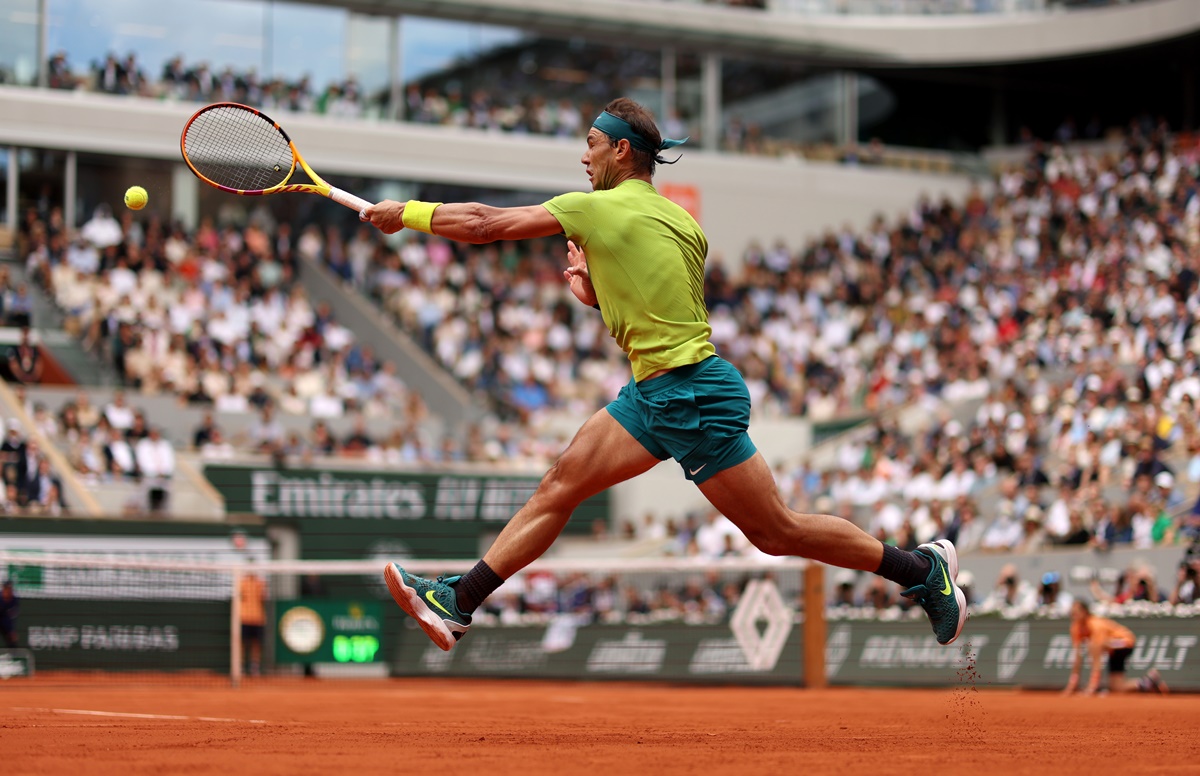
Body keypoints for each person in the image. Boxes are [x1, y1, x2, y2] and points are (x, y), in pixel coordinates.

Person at [362, 97, 966, 652]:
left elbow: (485, 223)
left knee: (777, 531)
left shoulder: (593, 209)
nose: (584, 154)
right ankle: (458, 600)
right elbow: (660, 303)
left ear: (621, 150)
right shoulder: (686, 226)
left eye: (592, 143)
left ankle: (921, 571)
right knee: (560, 485)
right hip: (658, 391)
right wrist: (596, 295)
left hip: (688, 392)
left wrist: (407, 213)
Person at [1063, 600, 1167, 695]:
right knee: (1117, 687)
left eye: (1076, 611)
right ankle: (1148, 682)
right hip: (1112, 649)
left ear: (1085, 612)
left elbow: (1097, 658)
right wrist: (1072, 684)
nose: (1074, 614)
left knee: (1094, 646)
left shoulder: (1096, 624)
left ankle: (1094, 685)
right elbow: (1077, 657)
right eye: (1072, 612)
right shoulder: (1075, 628)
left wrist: (1091, 687)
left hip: (1125, 642)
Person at [238, 569, 266, 676]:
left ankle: (255, 667)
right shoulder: (242, 582)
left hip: (258, 619)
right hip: (244, 617)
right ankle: (240, 666)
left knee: (256, 644)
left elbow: (263, 597)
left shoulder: (260, 583)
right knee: (242, 643)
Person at [0, 580, 18, 647]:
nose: (8, 590)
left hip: (6, 621)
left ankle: (11, 655)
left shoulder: (14, 600)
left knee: (12, 640)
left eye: (10, 588)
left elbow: (12, 616)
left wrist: (12, 630)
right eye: (6, 588)